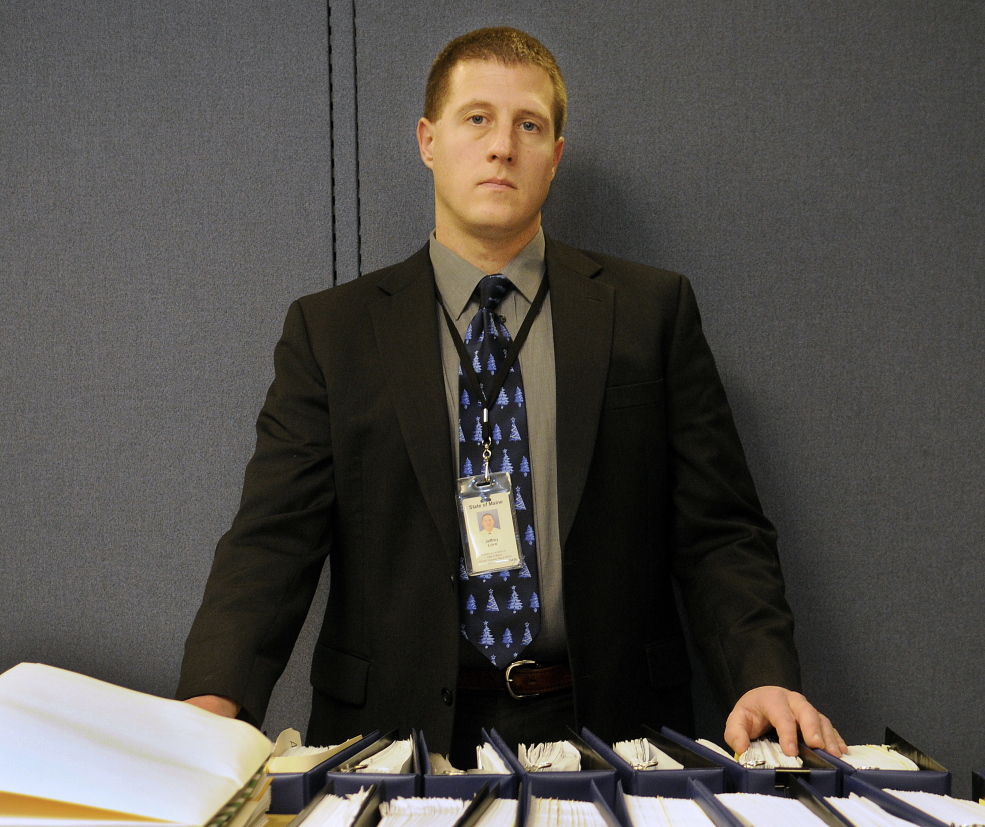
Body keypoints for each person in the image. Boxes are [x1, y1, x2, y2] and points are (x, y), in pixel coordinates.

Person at [177, 26, 846, 763]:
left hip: (616, 731)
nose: (502, 146)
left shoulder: (649, 312)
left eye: (529, 125)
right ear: (428, 141)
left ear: (554, 156)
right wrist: (214, 701)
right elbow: (272, 539)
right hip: (394, 739)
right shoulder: (333, 332)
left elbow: (720, 531)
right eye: (476, 120)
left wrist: (762, 675)